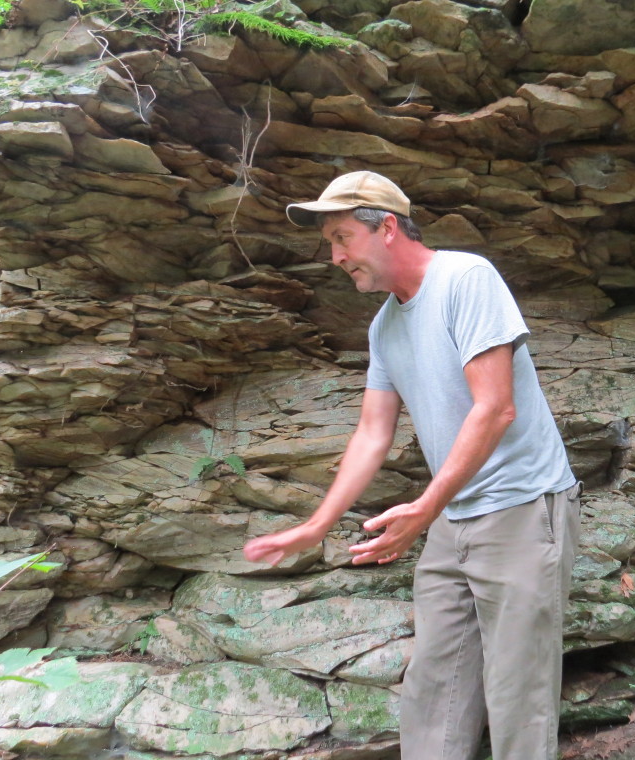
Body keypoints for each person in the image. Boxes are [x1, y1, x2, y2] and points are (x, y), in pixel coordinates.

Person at [243, 170, 580, 760]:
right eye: (330, 243)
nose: (336, 256)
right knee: (434, 693)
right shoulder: (385, 326)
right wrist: (316, 526)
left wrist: (425, 508)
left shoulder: (466, 279)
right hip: (454, 519)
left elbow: (495, 408)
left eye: (343, 237)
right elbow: (373, 434)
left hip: (524, 513)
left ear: (388, 227)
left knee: (517, 698)